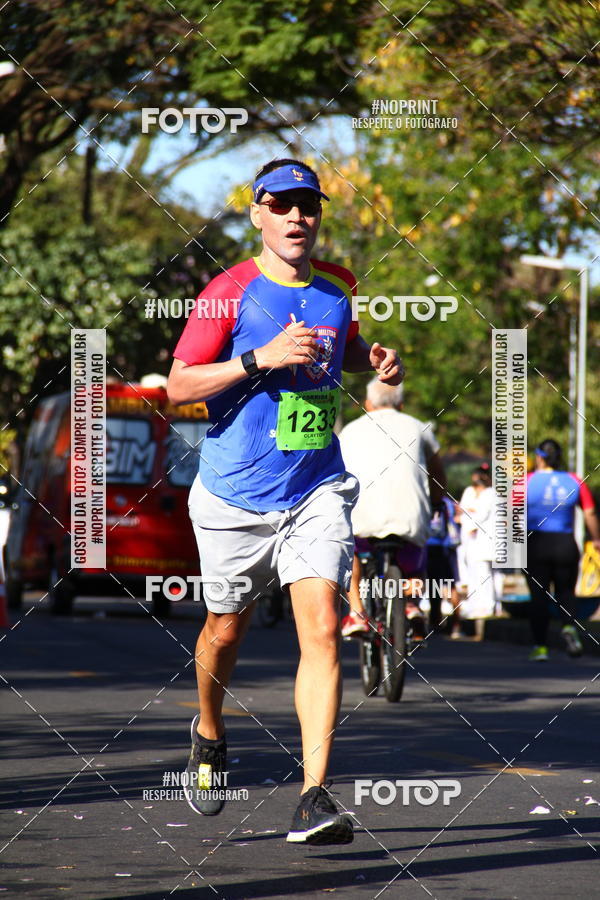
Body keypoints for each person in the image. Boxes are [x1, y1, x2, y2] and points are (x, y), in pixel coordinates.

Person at [167, 158, 404, 845]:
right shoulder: (228, 291)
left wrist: (375, 360)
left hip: (315, 487)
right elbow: (180, 387)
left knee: (323, 628)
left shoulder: (339, 286)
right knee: (225, 631)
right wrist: (257, 359)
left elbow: (345, 346)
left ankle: (313, 796)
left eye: (309, 206)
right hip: (235, 495)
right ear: (257, 213)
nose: (298, 217)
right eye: (282, 205)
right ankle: (209, 731)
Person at [338, 379, 446, 639]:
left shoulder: (350, 430)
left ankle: (357, 613)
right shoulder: (419, 427)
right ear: (401, 404)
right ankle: (411, 604)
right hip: (409, 516)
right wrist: (436, 501)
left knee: (349, 548)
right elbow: (437, 473)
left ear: (367, 404)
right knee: (416, 555)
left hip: (363, 516)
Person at [525, 438, 600, 661]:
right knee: (566, 591)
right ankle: (568, 627)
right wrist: (596, 538)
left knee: (538, 595)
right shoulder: (574, 481)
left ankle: (540, 648)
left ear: (539, 457)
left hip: (536, 543)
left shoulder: (525, 482)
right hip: (565, 544)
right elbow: (590, 512)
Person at [456, 465, 497, 637]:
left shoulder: (491, 494)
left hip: (484, 539)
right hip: (469, 539)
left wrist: (471, 518)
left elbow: (482, 513)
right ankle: (475, 605)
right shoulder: (469, 492)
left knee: (484, 573)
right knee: (473, 573)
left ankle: (487, 606)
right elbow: (462, 509)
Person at [426, 495, 462, 637]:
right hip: (448, 547)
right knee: (452, 584)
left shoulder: (427, 498)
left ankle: (435, 621)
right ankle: (456, 624)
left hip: (430, 545)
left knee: (433, 586)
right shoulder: (448, 502)